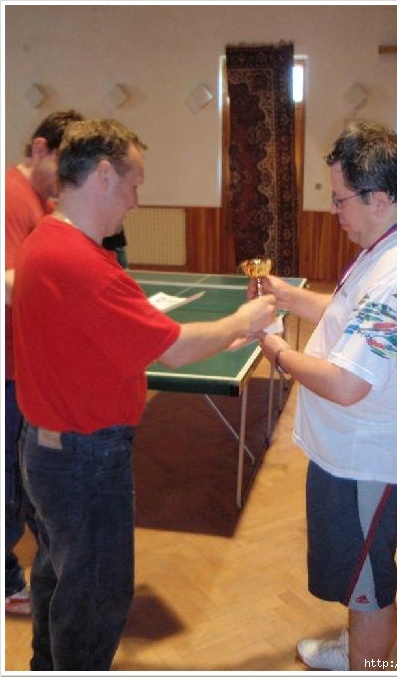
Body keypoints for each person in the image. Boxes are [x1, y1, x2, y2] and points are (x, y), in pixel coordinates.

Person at [11, 117, 276, 671]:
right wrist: (244, 319)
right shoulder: (80, 261)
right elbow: (174, 350)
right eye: (134, 184)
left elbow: (111, 340)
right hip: (84, 458)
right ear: (104, 175)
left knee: (59, 577)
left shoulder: (47, 241)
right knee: (95, 598)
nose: (135, 201)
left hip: (50, 448)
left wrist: (219, 332)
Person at [256, 121, 397, 671]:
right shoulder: (394, 243)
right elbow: (353, 317)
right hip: (350, 452)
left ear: (379, 198)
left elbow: (347, 384)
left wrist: (276, 350)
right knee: (355, 575)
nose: (334, 210)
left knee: (369, 587)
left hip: (368, 460)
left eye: (340, 199)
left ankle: (366, 663)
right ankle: (353, 651)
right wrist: (289, 297)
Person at [4, 109, 84, 616]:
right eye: (63, 161)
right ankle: (8, 583)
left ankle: (37, 576)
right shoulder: (10, 197)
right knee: (9, 483)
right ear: (39, 149)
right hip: (6, 367)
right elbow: (10, 282)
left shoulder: (43, 200)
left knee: (25, 480)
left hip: (24, 365)